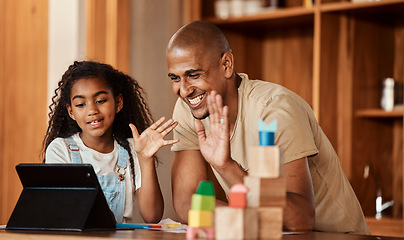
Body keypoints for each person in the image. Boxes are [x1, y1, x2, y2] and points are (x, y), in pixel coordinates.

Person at [166, 21, 370, 234]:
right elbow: (187, 203)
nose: (184, 90)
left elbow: (301, 220)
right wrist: (244, 223)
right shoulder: (189, 109)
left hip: (335, 236)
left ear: (226, 65)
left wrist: (228, 167)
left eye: (194, 75)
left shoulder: (276, 110)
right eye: (175, 78)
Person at [42, 61, 178, 224]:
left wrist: (146, 159)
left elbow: (153, 216)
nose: (92, 110)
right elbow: (62, 211)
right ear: (71, 112)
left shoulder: (133, 149)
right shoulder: (61, 149)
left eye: (100, 100)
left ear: (118, 103)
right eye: (80, 104)